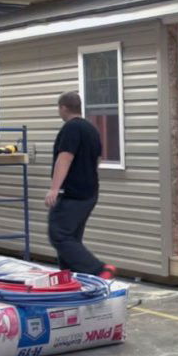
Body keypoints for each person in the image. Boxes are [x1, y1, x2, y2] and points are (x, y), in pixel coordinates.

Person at [45, 91, 115, 279]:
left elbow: (65, 158)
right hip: (89, 193)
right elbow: (98, 159)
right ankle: (70, 278)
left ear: (63, 108)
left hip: (72, 194)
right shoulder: (91, 129)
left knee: (58, 234)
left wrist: (54, 188)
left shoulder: (71, 128)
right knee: (72, 239)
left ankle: (98, 269)